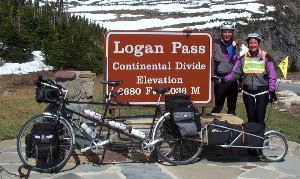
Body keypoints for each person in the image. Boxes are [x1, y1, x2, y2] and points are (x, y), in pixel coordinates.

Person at [213, 32, 277, 127]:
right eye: (250, 43)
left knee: (260, 119)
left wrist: (272, 91)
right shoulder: (243, 58)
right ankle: (251, 140)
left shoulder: (266, 57)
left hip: (261, 92)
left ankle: (260, 140)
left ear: (258, 43)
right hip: (248, 93)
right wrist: (222, 80)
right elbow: (235, 73)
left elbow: (272, 75)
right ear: (248, 44)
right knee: (251, 120)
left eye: (255, 43)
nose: (253, 45)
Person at [211, 21, 241, 115]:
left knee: (232, 108)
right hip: (220, 80)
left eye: (229, 32)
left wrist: (240, 81)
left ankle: (232, 128)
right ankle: (214, 126)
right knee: (218, 107)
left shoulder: (235, 45)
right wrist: (190, 32)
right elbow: (200, 44)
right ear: (221, 32)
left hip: (232, 81)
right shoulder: (214, 44)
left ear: (232, 32)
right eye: (224, 32)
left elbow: (238, 63)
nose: (227, 34)